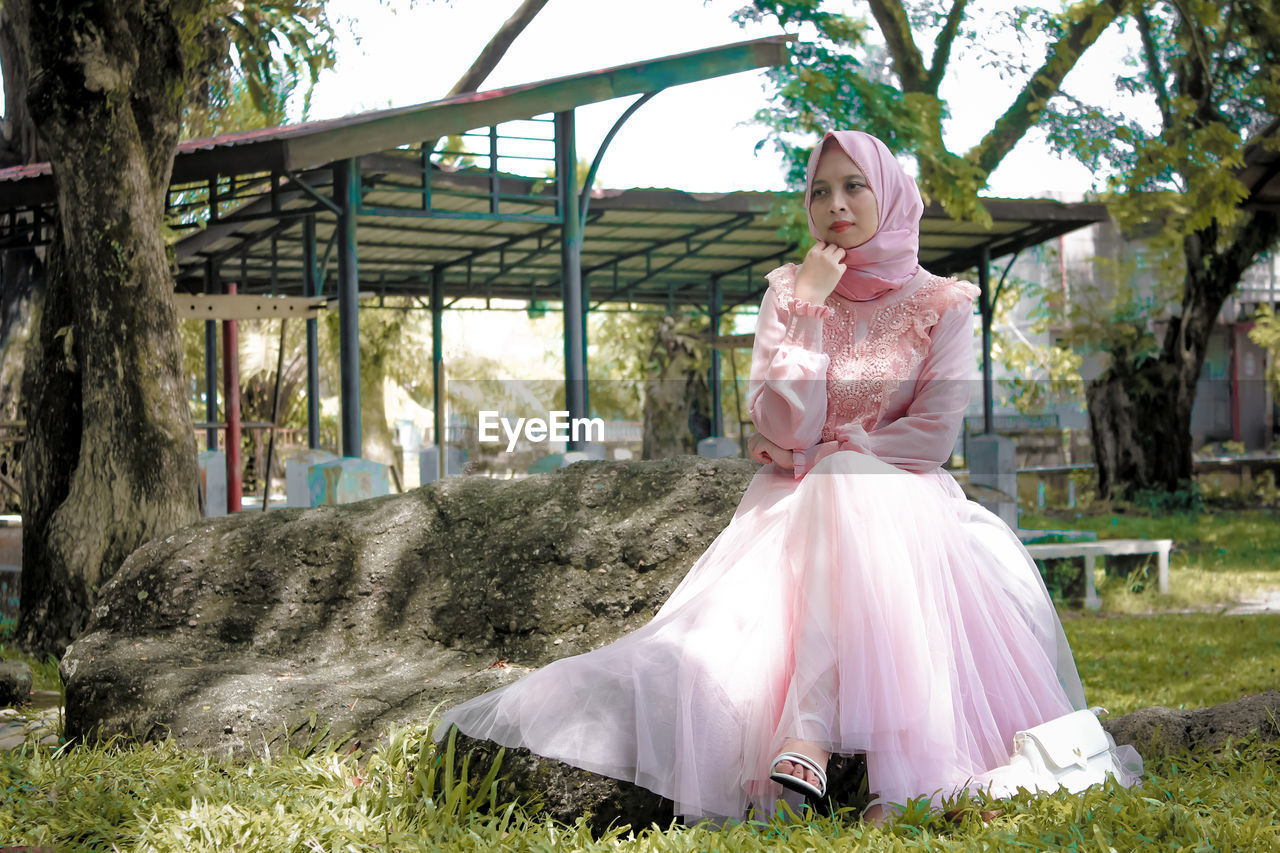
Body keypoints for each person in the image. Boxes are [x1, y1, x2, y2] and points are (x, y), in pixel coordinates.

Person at [435, 130, 1141, 824]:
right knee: (710, 635)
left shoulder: (944, 303)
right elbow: (783, 428)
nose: (836, 203)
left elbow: (932, 436)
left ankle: (840, 749)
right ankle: (815, 744)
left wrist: (843, 450)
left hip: (905, 502)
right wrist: (808, 310)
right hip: (793, 506)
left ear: (889, 193)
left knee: (841, 472)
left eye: (854, 185)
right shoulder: (790, 292)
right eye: (820, 191)